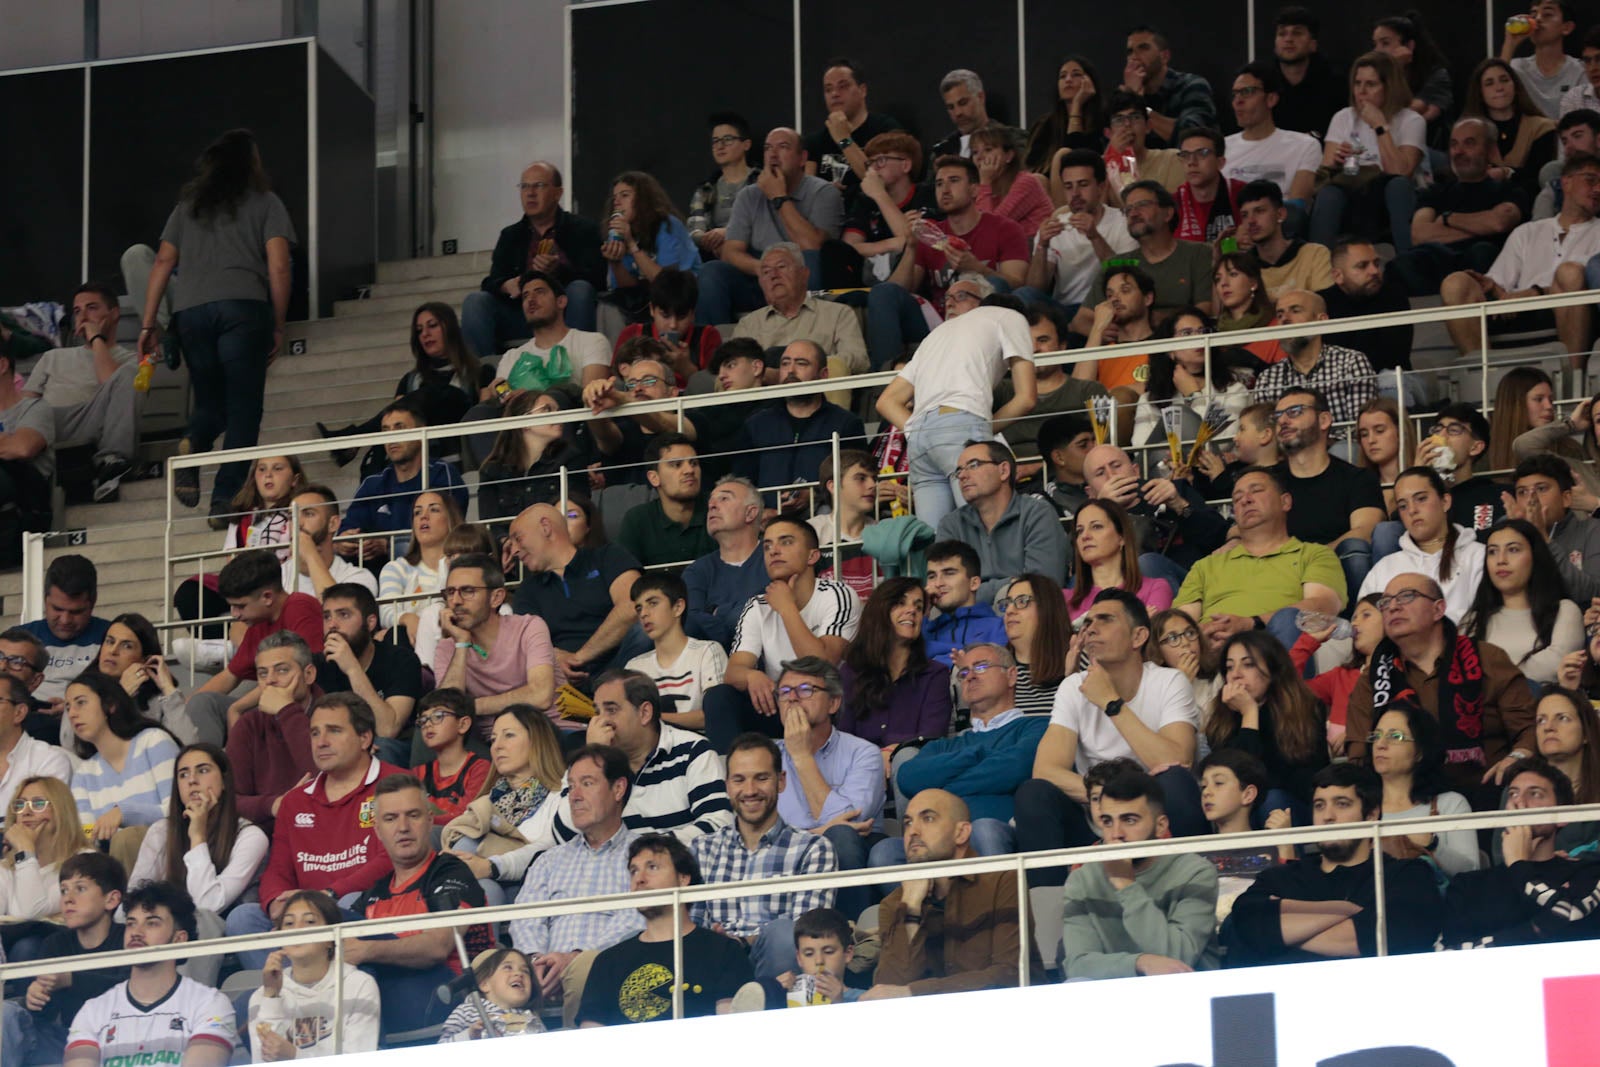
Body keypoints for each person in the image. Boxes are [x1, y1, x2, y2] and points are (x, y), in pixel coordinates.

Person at [139, 129, 294, 523]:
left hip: (192, 315)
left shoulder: (188, 207)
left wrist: (147, 324)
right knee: (244, 410)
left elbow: (161, 263)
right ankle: (224, 499)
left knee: (211, 402)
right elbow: (278, 264)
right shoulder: (266, 202)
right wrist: (278, 322)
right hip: (243, 309)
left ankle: (194, 441)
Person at [1016, 590, 1204, 881]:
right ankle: (1049, 916)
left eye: (1105, 620)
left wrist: (1111, 703)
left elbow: (1178, 760)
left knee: (1176, 781)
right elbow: (1046, 770)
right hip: (1094, 820)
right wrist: (1110, 801)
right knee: (1033, 794)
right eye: (1088, 622)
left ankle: (1195, 889)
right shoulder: (1072, 687)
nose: (1091, 628)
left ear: (1138, 637)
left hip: (1153, 820)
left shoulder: (1169, 681)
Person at [228, 694, 407, 968]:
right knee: (243, 917)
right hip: (306, 916)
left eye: (334, 731)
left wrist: (329, 896)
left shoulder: (396, 785)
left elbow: (392, 858)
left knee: (349, 902)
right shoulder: (295, 800)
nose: (321, 742)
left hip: (365, 908)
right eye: (315, 733)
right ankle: (290, 993)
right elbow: (278, 868)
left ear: (365, 738)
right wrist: (278, 903)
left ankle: (326, 988)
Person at [1221, 763, 1442, 966]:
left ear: (1372, 814)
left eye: (1342, 804)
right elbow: (1246, 923)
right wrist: (1347, 912)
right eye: (1319, 806)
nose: (1327, 816)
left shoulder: (1406, 875)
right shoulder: (1279, 878)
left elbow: (1390, 936)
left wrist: (1280, 936)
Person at [1346, 572, 1538, 802]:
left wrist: (1516, 758)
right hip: (1407, 804)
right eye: (1385, 602)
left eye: (1407, 597)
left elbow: (1529, 729)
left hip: (1489, 794)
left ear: (1438, 609)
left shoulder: (1486, 658)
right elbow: (1359, 757)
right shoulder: (1374, 679)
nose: (1393, 607)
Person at [505, 742, 646, 1026]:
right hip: (543, 975)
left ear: (618, 789)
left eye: (587, 783)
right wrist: (537, 962)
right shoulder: (549, 860)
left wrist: (575, 959)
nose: (575, 796)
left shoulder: (645, 854)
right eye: (571, 787)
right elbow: (525, 919)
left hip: (608, 972)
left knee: (584, 972)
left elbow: (638, 918)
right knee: (487, 967)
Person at [515, 670, 732, 854]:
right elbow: (562, 834)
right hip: (608, 880)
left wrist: (643, 851)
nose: (600, 721)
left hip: (678, 876)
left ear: (645, 713)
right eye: (598, 712)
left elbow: (718, 825)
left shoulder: (693, 750)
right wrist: (593, 756)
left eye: (611, 710)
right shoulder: (589, 762)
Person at [346, 775, 491, 1035]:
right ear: (377, 830)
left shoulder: (450, 872)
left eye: (412, 815)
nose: (403, 827)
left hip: (450, 997)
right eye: (390, 819)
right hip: (386, 995)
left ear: (429, 820)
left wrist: (365, 949)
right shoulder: (372, 895)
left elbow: (437, 946)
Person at [880, 642, 1048, 861]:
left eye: (981, 667)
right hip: (939, 841)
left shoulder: (1038, 727)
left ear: (1012, 675)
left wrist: (942, 788)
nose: (970, 677)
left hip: (1003, 835)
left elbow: (1016, 768)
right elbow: (908, 778)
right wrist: (975, 754)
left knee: (982, 830)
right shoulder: (944, 745)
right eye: (964, 672)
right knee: (884, 852)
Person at [876, 300, 1038, 526]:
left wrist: (920, 430)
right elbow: (1027, 398)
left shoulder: (938, 334)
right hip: (961, 424)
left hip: (921, 439)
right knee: (985, 527)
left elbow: (886, 402)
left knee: (938, 543)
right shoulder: (1013, 317)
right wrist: (980, 428)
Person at [703, 518, 860, 752]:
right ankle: (728, 778)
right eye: (767, 546)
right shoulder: (757, 606)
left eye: (786, 542)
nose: (774, 551)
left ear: (812, 556)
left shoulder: (837, 594)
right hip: (781, 706)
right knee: (720, 696)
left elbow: (822, 665)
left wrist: (787, 608)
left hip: (830, 705)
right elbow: (733, 672)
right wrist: (751, 676)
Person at [865, 789, 1038, 998]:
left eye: (928, 819)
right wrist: (910, 908)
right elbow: (887, 993)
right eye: (908, 822)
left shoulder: (1002, 880)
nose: (913, 831)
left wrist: (915, 991)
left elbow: (1010, 974)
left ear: (961, 833)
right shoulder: (894, 903)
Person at [692, 732, 838, 979]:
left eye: (761, 778)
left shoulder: (813, 848)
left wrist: (743, 942)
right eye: (739, 780)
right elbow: (691, 928)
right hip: (715, 965)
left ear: (781, 782)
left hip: (780, 972)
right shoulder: (702, 849)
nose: (750, 791)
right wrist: (718, 944)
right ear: (727, 786)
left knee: (783, 932)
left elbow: (806, 937)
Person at [1060, 767, 1221, 978]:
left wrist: (1127, 886)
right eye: (1107, 821)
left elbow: (1178, 959)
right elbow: (1077, 964)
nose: (1116, 834)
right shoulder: (1081, 880)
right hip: (1115, 996)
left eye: (1129, 820)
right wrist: (1139, 962)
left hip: (1184, 995)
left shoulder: (1196, 873)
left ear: (1161, 826)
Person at [576, 834, 752, 1025]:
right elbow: (591, 1038)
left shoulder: (723, 951)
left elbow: (730, 1029)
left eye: (652, 867)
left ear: (683, 878)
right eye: (634, 871)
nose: (639, 879)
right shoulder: (608, 961)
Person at [1439, 154, 1600, 361]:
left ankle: (1573, 380)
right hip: (1514, 312)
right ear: (1566, 182)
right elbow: (1500, 283)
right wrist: (1490, 285)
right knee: (1455, 283)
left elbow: (1585, 282)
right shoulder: (1528, 231)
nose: (1598, 189)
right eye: (1590, 180)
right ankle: (1483, 376)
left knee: (1569, 272)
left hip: (1569, 315)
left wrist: (1536, 293)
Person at [872, 156, 1029, 367]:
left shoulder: (1005, 229)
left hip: (985, 323)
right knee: (883, 292)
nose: (945, 189)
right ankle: (884, 382)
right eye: (939, 183)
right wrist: (910, 246)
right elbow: (900, 289)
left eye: (954, 181)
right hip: (938, 321)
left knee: (998, 286)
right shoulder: (930, 234)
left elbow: (1017, 284)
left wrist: (977, 268)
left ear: (974, 190)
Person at [1173, 465, 1346, 652]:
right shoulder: (1206, 566)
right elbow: (1179, 623)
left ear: (1285, 502)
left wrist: (1250, 624)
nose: (1245, 500)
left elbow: (1321, 606)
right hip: (1213, 654)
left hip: (1276, 651)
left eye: (1256, 491)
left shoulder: (1314, 554)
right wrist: (1201, 635)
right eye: (1237, 498)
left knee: (1289, 619)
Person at [64, 883, 238, 1067]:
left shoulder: (210, 1004)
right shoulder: (93, 1011)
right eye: (131, 923)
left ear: (179, 940)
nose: (136, 933)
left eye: (152, 923)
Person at [1444, 755, 1600, 948]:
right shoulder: (1469, 885)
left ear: (1562, 816)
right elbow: (1449, 954)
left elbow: (1578, 929)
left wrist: (1519, 865)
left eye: (1535, 794)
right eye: (1513, 794)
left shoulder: (1587, 874)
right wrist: (1538, 928)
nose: (1519, 803)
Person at [696, 127, 844, 326]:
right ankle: (719, 349)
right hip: (758, 276)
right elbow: (731, 252)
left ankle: (810, 335)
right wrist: (764, 269)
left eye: (783, 147)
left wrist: (779, 197)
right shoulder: (749, 195)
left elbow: (813, 246)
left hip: (803, 276)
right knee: (711, 272)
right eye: (767, 148)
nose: (773, 155)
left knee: (810, 260)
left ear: (802, 158)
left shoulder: (824, 193)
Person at [316, 302, 493, 467]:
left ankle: (353, 438)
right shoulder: (410, 379)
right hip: (419, 451)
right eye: (419, 330)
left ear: (450, 329)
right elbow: (396, 420)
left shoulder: (481, 371)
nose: (425, 334)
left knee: (439, 393)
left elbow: (484, 411)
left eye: (432, 326)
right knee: (395, 422)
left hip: (457, 435)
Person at [463, 160, 605, 356]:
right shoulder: (510, 235)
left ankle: (578, 366)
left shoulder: (583, 229)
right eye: (525, 186)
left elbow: (598, 280)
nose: (530, 193)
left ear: (558, 193)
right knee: (475, 301)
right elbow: (491, 282)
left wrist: (560, 270)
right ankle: (484, 379)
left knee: (580, 289)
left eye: (539, 185)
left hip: (563, 312)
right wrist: (506, 285)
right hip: (521, 315)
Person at [2, 853, 128, 1067]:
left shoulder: (128, 939)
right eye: (63, 890)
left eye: (80, 888)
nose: (68, 898)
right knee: (5, 1012)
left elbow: (131, 988)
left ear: (111, 899)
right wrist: (36, 997)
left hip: (118, 1044)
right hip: (64, 1041)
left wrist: (71, 980)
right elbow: (47, 1014)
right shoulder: (55, 943)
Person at [23, 284, 139, 501]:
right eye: (77, 311)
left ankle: (112, 463)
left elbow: (110, 383)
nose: (83, 316)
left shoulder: (129, 360)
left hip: (92, 422)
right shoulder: (53, 356)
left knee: (128, 375)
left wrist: (97, 340)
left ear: (113, 314)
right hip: (49, 423)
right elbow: (25, 407)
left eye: (92, 308)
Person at [440, 706, 566, 903]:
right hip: (467, 885)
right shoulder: (484, 802)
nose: (497, 746)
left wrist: (488, 866)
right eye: (493, 739)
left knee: (485, 888)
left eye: (509, 735)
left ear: (537, 741)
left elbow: (551, 852)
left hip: (528, 890)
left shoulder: (561, 797)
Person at [506, 503, 642, 684]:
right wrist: (553, 655)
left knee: (645, 628)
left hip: (623, 666)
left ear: (546, 528)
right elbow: (526, 643)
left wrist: (581, 656)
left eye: (518, 538)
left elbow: (632, 606)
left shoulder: (608, 556)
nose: (514, 550)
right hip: (565, 682)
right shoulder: (527, 590)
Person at [1267, 386, 1385, 594]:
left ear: (1324, 420)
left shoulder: (1357, 479)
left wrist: (1311, 558)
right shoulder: (1267, 481)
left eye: (1295, 412)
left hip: (1336, 573)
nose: (1283, 421)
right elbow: (1240, 527)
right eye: (1278, 416)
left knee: (1354, 550)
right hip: (1278, 575)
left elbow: (1365, 531)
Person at [127, 742, 268, 917]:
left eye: (203, 770)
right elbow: (133, 899)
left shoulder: (251, 837)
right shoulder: (161, 831)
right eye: (183, 774)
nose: (192, 780)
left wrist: (197, 836)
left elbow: (207, 906)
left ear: (224, 781)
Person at [1308, 52, 1426, 253]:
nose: (1361, 91)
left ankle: (1409, 264)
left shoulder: (1411, 120)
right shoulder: (1343, 117)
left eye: (1371, 84)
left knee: (1397, 186)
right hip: (1351, 193)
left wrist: (1379, 125)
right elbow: (1324, 175)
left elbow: (1400, 172)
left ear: (1390, 87)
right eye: (1357, 83)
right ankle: (1319, 271)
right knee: (1329, 194)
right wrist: (1336, 162)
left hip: (1388, 196)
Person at [1067, 182, 1214, 339]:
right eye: (1128, 209)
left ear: (1168, 213)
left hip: (1184, 343)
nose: (1133, 213)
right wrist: (1100, 331)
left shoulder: (1199, 253)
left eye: (1142, 205)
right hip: (1127, 349)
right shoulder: (1118, 264)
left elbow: (1206, 310)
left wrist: (1161, 320)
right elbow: (1080, 321)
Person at [247, 891, 382, 1060]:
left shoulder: (359, 985)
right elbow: (261, 1061)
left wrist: (295, 1056)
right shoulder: (262, 996)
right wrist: (271, 997)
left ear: (331, 937)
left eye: (309, 921)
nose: (297, 929)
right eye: (289, 923)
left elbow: (360, 1060)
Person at [336, 396, 469, 567]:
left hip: (431, 570)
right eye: (385, 430)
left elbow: (445, 532)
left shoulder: (442, 473)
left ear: (421, 431)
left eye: (399, 428)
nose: (391, 437)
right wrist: (345, 541)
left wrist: (389, 545)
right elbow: (350, 525)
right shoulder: (373, 483)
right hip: (378, 579)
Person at [1207, 630, 1329, 813]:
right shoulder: (1223, 716)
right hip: (1239, 812)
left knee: (1273, 800)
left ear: (1272, 670)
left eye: (1248, 665)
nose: (1236, 675)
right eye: (1229, 667)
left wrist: (1251, 713)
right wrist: (1249, 714)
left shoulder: (1305, 708)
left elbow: (1306, 781)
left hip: (1293, 807)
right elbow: (1235, 781)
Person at [731, 341, 866, 507]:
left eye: (801, 364)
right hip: (765, 523)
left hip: (824, 520)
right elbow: (741, 484)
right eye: (785, 363)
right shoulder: (756, 424)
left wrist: (815, 495)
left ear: (823, 375)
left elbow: (856, 483)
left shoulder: (846, 424)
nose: (790, 371)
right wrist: (761, 513)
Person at [935, 439, 1068, 604]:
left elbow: (1044, 585)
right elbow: (945, 591)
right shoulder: (951, 524)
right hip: (968, 620)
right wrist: (1010, 583)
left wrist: (975, 592)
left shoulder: (1037, 513)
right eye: (959, 470)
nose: (962, 475)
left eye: (974, 465)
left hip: (1025, 616)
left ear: (1004, 470)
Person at [435, 552, 559, 725]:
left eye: (468, 591)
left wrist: (470, 706)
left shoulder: (528, 627)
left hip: (547, 731)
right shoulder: (447, 648)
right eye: (450, 592)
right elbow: (445, 713)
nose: (455, 601)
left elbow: (541, 696)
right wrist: (462, 644)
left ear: (496, 598)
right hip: (489, 743)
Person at [66, 672, 179, 862]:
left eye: (81, 702)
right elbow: (85, 833)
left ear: (110, 705)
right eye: (68, 707)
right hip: (112, 866)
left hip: (169, 853)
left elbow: (178, 809)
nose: (72, 713)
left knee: (126, 840)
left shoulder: (153, 741)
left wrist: (124, 813)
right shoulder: (84, 773)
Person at [1081, 443, 1230, 583]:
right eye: (1100, 473)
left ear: (1136, 471)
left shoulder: (1174, 490)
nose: (1112, 475)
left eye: (1117, 466)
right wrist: (1103, 511)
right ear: (1090, 493)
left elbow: (1219, 536)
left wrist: (1180, 505)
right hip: (1126, 594)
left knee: (1148, 563)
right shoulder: (1087, 520)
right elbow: (1084, 572)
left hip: (1187, 584)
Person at [1365, 696, 1479, 876]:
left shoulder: (1450, 804)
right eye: (1376, 736)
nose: (1380, 744)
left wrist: (1432, 844)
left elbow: (1471, 871)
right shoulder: (1361, 807)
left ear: (1420, 752)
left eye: (1395, 736)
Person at [1463, 519, 1585, 686]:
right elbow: (1460, 673)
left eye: (1513, 550)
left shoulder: (1564, 611)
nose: (1501, 560)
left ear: (1535, 556)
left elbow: (1556, 664)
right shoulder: (1473, 619)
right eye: (1492, 552)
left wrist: (1488, 675)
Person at [1360, 467, 1486, 621]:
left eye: (1421, 499)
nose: (1412, 510)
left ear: (1445, 501)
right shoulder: (1384, 568)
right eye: (1403, 506)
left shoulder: (1478, 556)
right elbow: (1367, 625)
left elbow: (1483, 621)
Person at [316, 583, 423, 762]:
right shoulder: (320, 665)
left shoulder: (401, 660)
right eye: (327, 617)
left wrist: (352, 668)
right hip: (343, 744)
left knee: (382, 749)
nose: (332, 625)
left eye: (344, 615)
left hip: (395, 748)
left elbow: (388, 729)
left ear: (371, 622)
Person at [1022, 152, 1138, 315]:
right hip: (1064, 309)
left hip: (1107, 306)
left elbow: (1125, 276)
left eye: (1083, 184)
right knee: (1023, 295)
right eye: (1068, 187)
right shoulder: (1056, 226)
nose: (1075, 193)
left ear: (1101, 187)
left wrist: (1094, 237)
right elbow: (1035, 289)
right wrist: (1042, 245)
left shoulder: (1123, 222)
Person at [839, 578, 952, 746]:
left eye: (918, 607)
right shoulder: (851, 671)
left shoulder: (935, 675)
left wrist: (894, 752)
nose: (912, 611)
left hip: (911, 767)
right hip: (859, 767)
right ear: (880, 610)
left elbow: (932, 738)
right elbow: (843, 738)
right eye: (900, 603)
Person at [728, 244, 867, 376]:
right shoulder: (748, 325)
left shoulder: (838, 313)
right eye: (765, 272)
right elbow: (734, 370)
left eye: (781, 267)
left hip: (819, 392)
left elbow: (860, 360)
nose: (773, 275)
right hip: (766, 395)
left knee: (836, 367)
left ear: (804, 274)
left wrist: (809, 366)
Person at [1131, 307, 1252, 449]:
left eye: (1203, 331)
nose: (1199, 338)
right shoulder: (1149, 399)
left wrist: (1194, 396)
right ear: (1170, 350)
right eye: (1187, 333)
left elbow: (1220, 444)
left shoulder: (1234, 390)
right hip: (1164, 469)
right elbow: (1141, 450)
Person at [626, 573, 728, 732]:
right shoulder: (635, 667)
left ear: (678, 607)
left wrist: (655, 718)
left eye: (652, 603)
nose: (644, 613)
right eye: (639, 608)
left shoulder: (707, 651)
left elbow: (716, 715)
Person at [682, 476, 770, 649]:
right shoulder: (697, 571)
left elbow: (775, 609)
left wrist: (717, 612)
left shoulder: (774, 556)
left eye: (724, 498)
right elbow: (690, 622)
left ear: (750, 513)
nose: (712, 506)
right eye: (710, 502)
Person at [1317, 238, 1415, 390]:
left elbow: (1394, 357)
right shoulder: (1322, 303)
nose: (1375, 271)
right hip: (1338, 385)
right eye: (1362, 266)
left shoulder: (1394, 295)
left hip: (1391, 380)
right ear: (1338, 276)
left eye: (1376, 263)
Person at [599, 171, 701, 317]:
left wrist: (632, 245)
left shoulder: (667, 225)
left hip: (682, 296)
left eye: (625, 195)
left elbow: (667, 283)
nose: (617, 202)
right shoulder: (621, 233)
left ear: (643, 199)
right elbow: (628, 289)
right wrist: (615, 262)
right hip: (647, 300)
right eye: (615, 197)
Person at [1224, 65, 1321, 217]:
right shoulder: (1222, 148)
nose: (1238, 101)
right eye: (1235, 94)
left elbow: (1297, 209)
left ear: (1271, 99)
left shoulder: (1304, 145)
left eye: (1247, 92)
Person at [845, 132, 935, 286]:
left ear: (905, 165)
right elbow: (847, 249)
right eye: (870, 163)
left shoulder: (927, 194)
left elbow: (920, 244)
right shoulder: (865, 200)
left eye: (881, 160)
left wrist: (880, 195)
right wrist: (893, 244)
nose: (873, 169)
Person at [1507, 455, 1600, 603]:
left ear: (1566, 498)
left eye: (1541, 489)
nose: (1531, 498)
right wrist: (1516, 538)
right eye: (1522, 492)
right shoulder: (1508, 534)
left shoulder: (1593, 530)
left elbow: (1593, 595)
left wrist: (1543, 539)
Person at [20, 555, 110, 707]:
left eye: (76, 612)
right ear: (45, 599)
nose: (65, 620)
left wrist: (71, 710)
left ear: (93, 603)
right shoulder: (16, 641)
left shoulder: (114, 637)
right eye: (57, 609)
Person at [616, 435, 715, 570]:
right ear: (654, 478)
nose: (690, 470)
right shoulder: (637, 520)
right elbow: (624, 577)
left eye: (694, 463)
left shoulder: (719, 508)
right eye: (676, 465)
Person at [1067, 499, 1175, 622]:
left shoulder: (1156, 588)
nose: (1085, 536)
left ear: (1121, 537)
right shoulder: (1064, 600)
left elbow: (1149, 638)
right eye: (1079, 531)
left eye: (1096, 527)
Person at [805, 58, 903, 191]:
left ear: (862, 90)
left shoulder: (885, 129)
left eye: (843, 86)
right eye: (828, 89)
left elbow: (880, 180)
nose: (834, 94)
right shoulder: (815, 142)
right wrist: (825, 193)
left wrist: (843, 140)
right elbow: (808, 193)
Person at [377, 490, 461, 643]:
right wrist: (407, 618)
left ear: (450, 519)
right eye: (417, 512)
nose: (424, 516)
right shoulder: (396, 568)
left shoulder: (463, 565)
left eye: (434, 509)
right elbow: (386, 612)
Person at [1466, 59, 1557, 199]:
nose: (1499, 88)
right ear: (1480, 93)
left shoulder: (1542, 127)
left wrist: (1506, 173)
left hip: (1528, 203)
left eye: (1504, 80)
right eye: (1489, 83)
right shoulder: (1469, 131)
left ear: (1515, 86)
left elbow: (1539, 178)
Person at [0, 776, 88, 920]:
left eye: (39, 803)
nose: (26, 812)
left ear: (61, 810)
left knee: (28, 943)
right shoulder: (5, 867)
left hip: (56, 940)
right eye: (20, 805)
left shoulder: (85, 862)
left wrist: (25, 850)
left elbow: (30, 912)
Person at [613, 269, 721, 386]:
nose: (673, 325)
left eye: (681, 316)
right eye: (665, 315)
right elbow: (615, 383)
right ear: (651, 309)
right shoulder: (632, 333)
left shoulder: (708, 336)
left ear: (693, 314)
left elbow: (716, 389)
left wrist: (687, 369)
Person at [1118, 25, 1217, 147]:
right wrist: (1128, 99)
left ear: (1165, 56)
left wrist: (1138, 103)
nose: (1134, 57)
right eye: (1130, 52)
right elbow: (1116, 145)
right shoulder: (1124, 94)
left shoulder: (1191, 85)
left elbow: (1192, 137)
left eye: (1143, 48)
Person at [1416, 404, 1503, 540]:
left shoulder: (1496, 495)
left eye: (1454, 430)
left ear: (1475, 447)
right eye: (1437, 430)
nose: (1442, 437)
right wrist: (1418, 477)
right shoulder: (1428, 496)